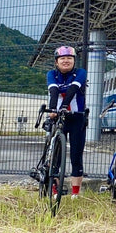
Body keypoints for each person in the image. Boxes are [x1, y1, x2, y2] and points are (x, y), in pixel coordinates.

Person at [47, 45, 87, 199]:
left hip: (77, 117)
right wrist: (52, 109)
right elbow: (54, 91)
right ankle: (55, 190)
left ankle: (75, 193)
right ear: (56, 62)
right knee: (56, 155)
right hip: (58, 117)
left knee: (76, 155)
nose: (66, 61)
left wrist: (64, 106)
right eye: (62, 58)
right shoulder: (52, 74)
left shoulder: (80, 73)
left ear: (74, 61)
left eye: (69, 58)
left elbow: (73, 90)